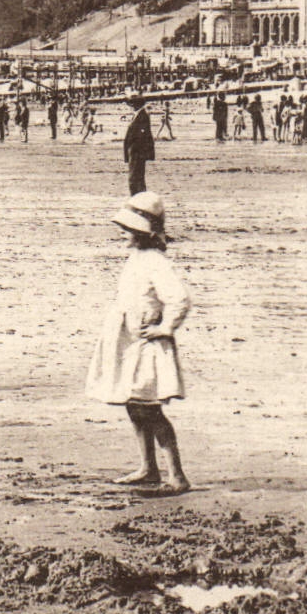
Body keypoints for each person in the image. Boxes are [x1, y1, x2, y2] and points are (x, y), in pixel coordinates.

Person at [85, 191, 191, 495]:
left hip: (147, 345)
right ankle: (148, 468)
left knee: (150, 408)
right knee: (134, 405)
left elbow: (179, 298)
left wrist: (165, 327)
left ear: (143, 233)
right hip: (129, 342)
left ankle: (178, 476)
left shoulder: (156, 262)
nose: (123, 234)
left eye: (128, 230)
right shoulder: (137, 259)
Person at [123, 95, 155, 196]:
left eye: (132, 103)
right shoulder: (138, 114)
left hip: (137, 152)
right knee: (136, 178)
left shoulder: (142, 115)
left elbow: (142, 135)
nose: (131, 106)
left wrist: (137, 151)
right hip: (134, 151)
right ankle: (139, 199)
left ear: (136, 104)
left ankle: (138, 199)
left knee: (135, 178)